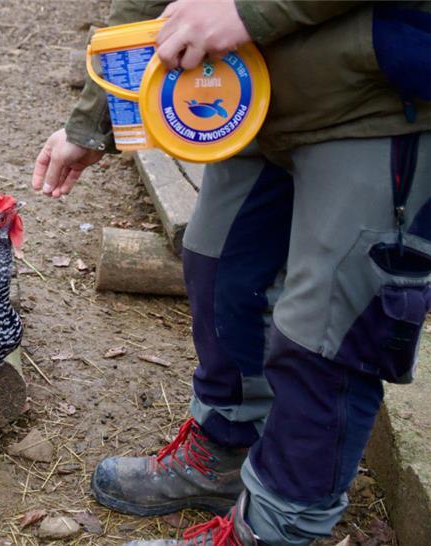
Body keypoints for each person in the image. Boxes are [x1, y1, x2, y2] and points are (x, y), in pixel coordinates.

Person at [32, 1, 431, 544]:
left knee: (325, 335)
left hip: (380, 97)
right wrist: (97, 117)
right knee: (219, 267)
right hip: (249, 97)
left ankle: (274, 527)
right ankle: (225, 448)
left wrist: (250, 12)